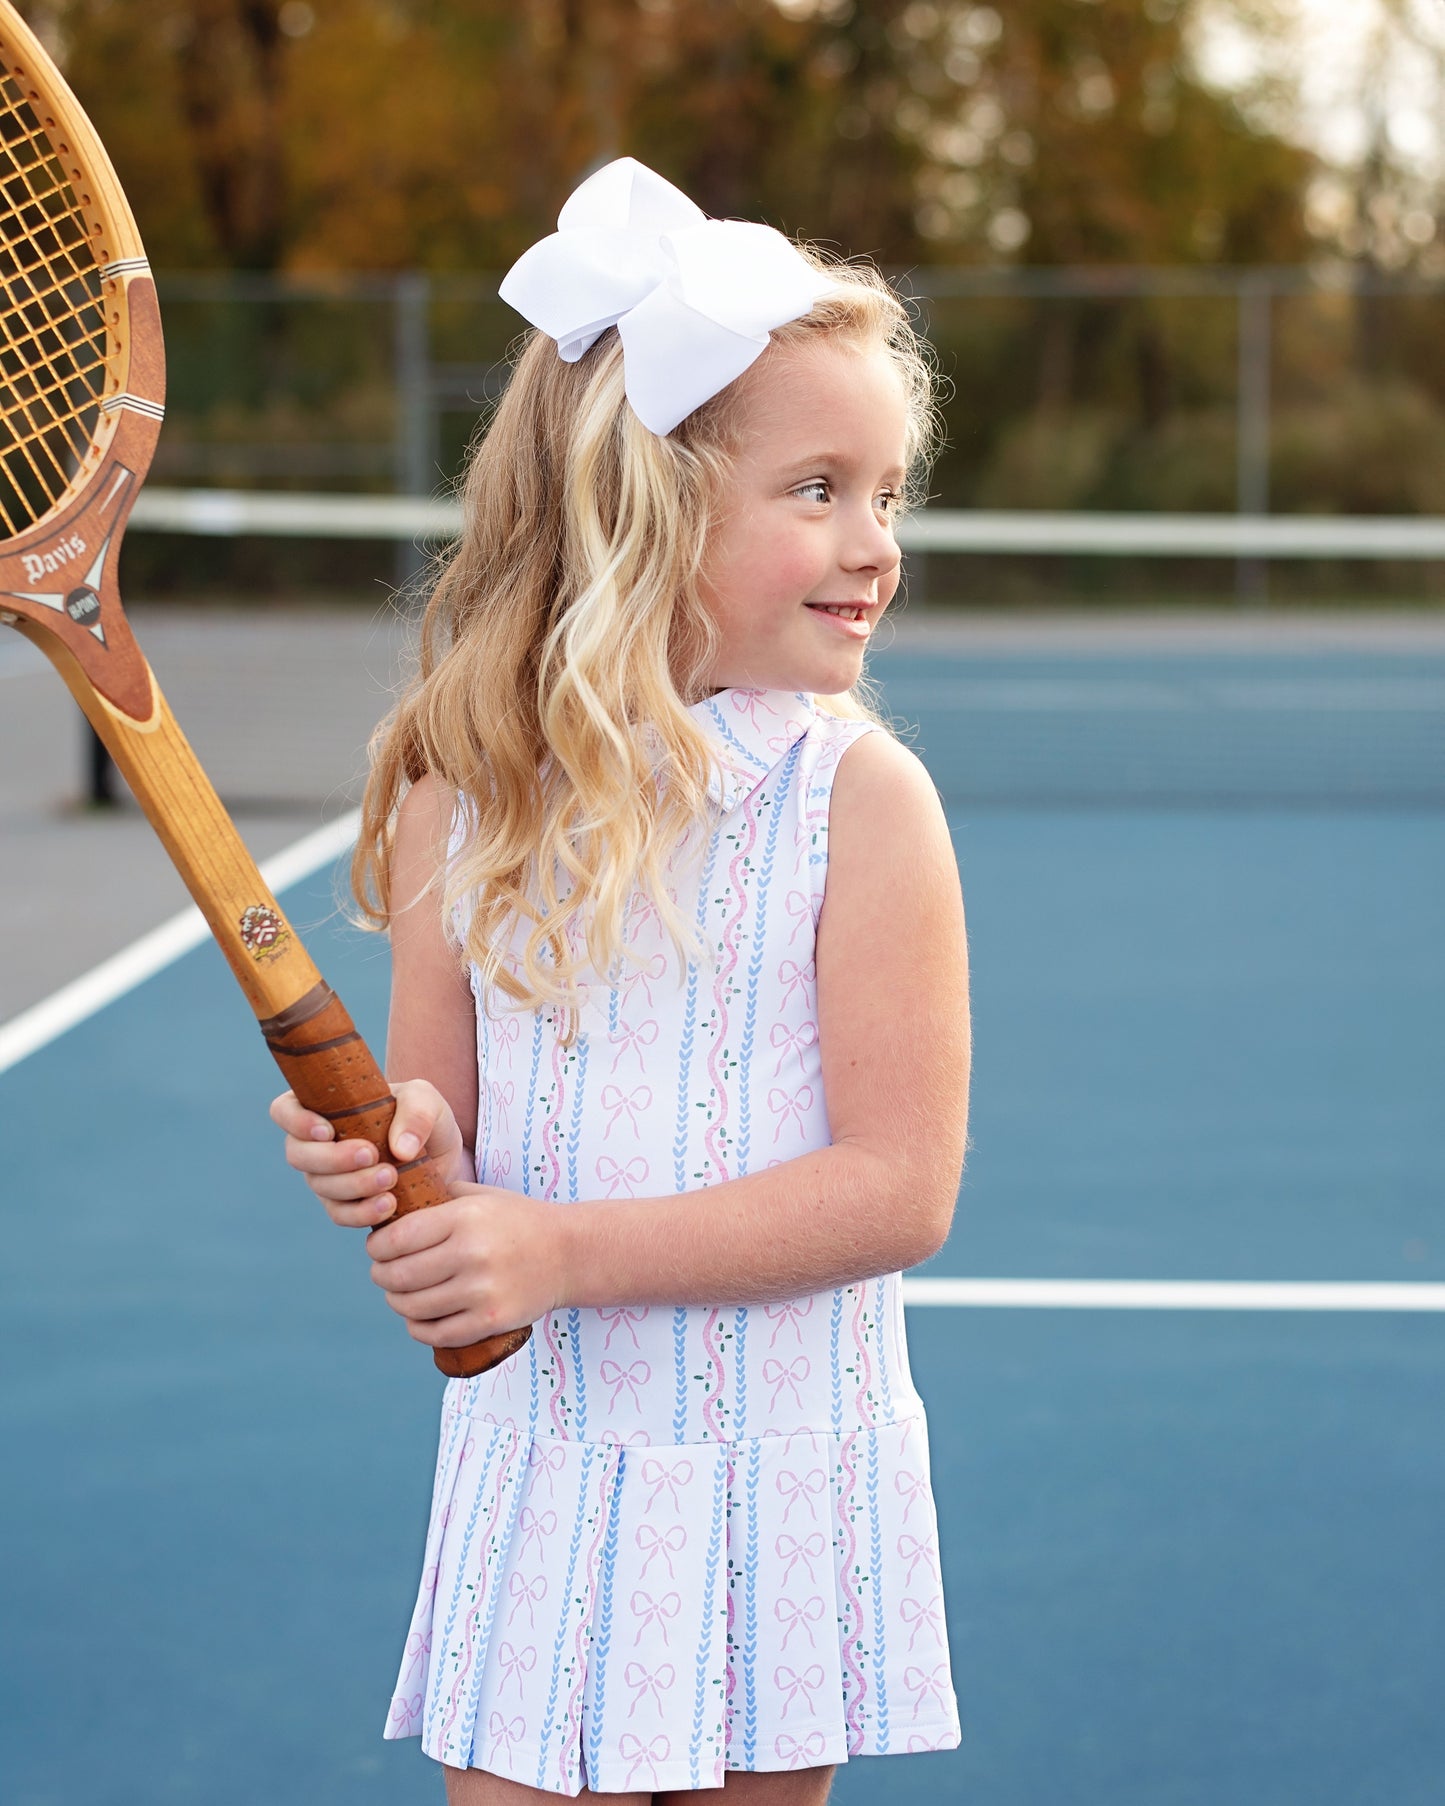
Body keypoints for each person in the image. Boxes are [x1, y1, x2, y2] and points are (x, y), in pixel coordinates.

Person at [271, 157, 971, 1805]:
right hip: (548, 1459)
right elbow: (439, 1116)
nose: (873, 543)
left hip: (774, 1459)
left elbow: (896, 1189)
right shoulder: (465, 783)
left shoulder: (859, 804)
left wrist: (558, 1249)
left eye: (887, 491)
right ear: (642, 503)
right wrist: (395, 1153)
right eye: (817, 488)